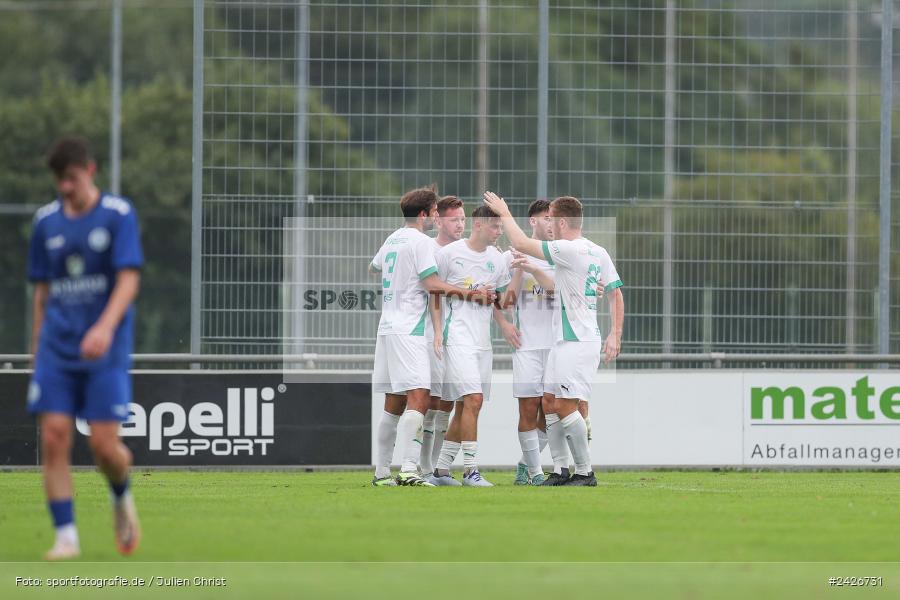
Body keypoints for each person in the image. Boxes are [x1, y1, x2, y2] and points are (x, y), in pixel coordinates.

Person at [27, 136, 144, 559]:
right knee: (54, 437)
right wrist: (37, 352)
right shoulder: (45, 223)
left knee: (103, 448)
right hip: (57, 350)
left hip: (104, 351)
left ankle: (120, 495)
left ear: (90, 171)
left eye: (72, 178)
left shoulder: (118, 215)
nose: (65, 187)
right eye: (59, 180)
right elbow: (42, 293)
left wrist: (104, 328)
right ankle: (66, 538)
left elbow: (128, 279)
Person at [483, 191, 624, 486]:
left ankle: (585, 471)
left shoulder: (567, 249)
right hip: (562, 340)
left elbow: (522, 244)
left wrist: (503, 211)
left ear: (561, 223)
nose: (549, 223)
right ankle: (560, 470)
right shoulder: (594, 250)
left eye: (552, 219)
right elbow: (604, 289)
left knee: (565, 406)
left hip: (577, 340)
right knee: (549, 402)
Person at [371, 187, 495, 486]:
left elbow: (374, 267)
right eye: (435, 212)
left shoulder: (393, 239)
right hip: (411, 328)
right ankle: (409, 470)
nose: (436, 217)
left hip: (387, 326)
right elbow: (432, 284)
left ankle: (382, 473)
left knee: (394, 401)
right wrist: (471, 293)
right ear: (425, 214)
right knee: (420, 397)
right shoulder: (421, 242)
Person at [430, 205, 512, 486]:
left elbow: (501, 299)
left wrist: (497, 296)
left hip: (482, 342)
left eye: (501, 227)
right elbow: (434, 290)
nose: (499, 231)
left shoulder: (497, 259)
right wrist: (438, 331)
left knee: (467, 405)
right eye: (494, 226)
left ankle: (440, 472)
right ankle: (470, 471)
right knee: (473, 399)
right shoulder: (449, 254)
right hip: (458, 338)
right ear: (478, 224)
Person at [493, 200, 556, 485]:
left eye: (555, 219)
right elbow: (504, 301)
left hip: (558, 346)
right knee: (529, 408)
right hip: (528, 345)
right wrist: (504, 323)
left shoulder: (562, 253)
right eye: (546, 218)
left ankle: (524, 464)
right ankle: (535, 473)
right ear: (533, 221)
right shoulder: (512, 256)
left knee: (552, 411)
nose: (552, 224)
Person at [420, 196, 466, 480]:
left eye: (463, 219)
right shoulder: (429, 250)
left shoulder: (467, 250)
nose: (460, 225)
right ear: (438, 220)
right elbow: (434, 293)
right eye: (454, 219)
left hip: (459, 337)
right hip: (432, 335)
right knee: (431, 401)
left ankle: (437, 467)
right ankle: (423, 466)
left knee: (448, 402)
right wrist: (437, 331)